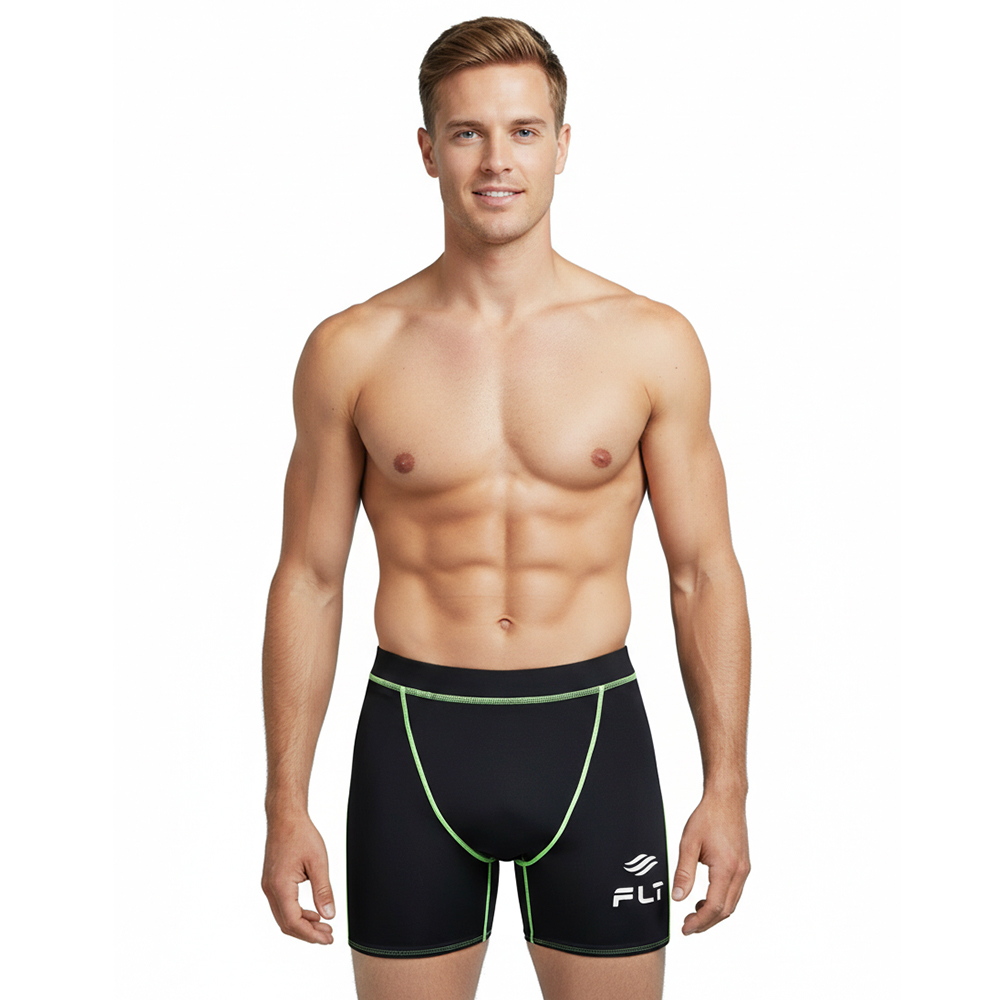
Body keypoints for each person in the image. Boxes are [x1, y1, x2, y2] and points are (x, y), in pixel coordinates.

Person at [260, 16, 750, 1000]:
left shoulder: (649, 342)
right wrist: (284, 802)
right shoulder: (352, 350)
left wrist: (727, 786)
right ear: (426, 149)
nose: (496, 160)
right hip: (412, 743)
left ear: (563, 146)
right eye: (468, 133)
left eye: (524, 131)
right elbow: (309, 579)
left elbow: (702, 573)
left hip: (593, 739)